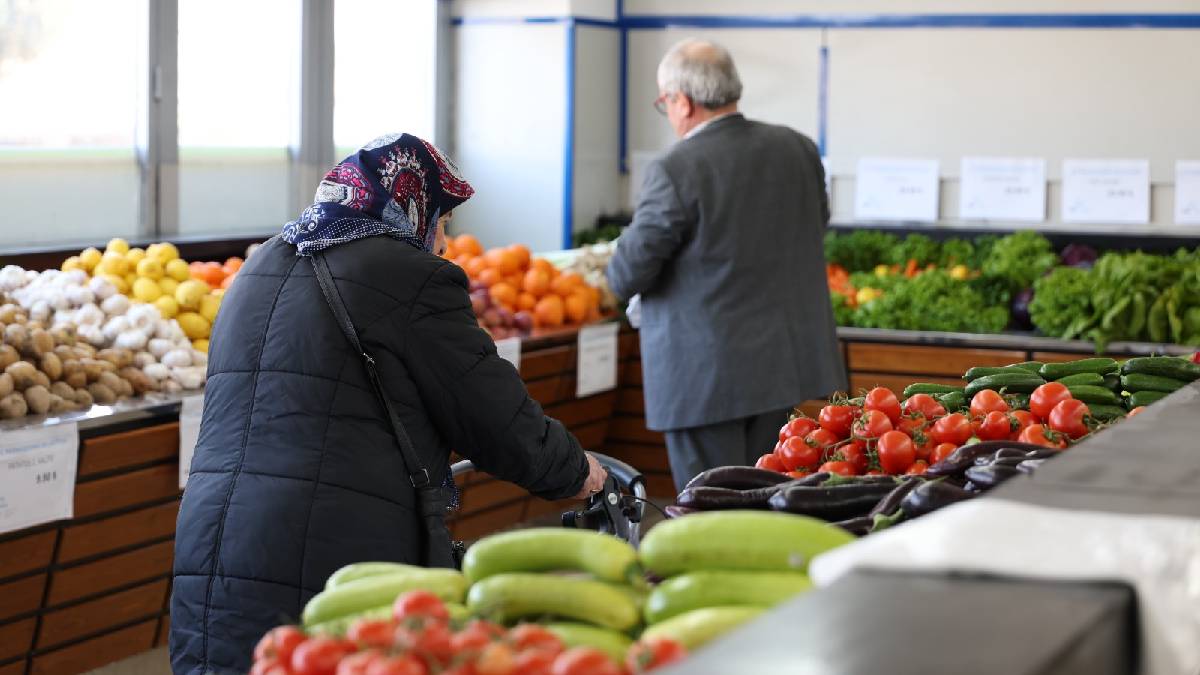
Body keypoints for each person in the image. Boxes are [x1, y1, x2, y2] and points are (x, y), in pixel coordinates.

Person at [170, 133, 606, 674]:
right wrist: (573, 469)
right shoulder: (408, 274)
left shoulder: (260, 268)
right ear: (410, 202)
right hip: (330, 547)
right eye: (442, 220)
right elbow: (489, 409)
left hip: (209, 542)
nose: (444, 242)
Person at [607, 39, 846, 491]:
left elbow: (628, 273)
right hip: (782, 365)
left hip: (704, 376)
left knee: (712, 510)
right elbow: (816, 224)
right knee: (769, 498)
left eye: (666, 102)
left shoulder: (677, 168)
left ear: (684, 100)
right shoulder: (797, 148)